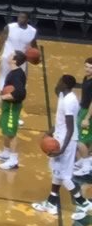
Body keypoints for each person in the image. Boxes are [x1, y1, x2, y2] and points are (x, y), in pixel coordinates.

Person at [35, 74, 90, 218]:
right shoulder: (62, 96)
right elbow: (60, 122)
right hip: (60, 138)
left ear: (65, 84)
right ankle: (51, 203)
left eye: (59, 81)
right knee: (57, 172)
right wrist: (49, 132)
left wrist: (62, 149)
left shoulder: (69, 102)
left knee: (64, 175)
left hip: (67, 141)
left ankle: (83, 203)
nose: (57, 83)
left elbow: (70, 128)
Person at [0, 12, 40, 109]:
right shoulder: (9, 27)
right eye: (19, 17)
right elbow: (0, 43)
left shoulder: (32, 31)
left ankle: (12, 105)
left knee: (19, 85)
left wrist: (36, 58)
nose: (20, 19)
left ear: (27, 19)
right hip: (7, 59)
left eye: (23, 17)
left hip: (21, 61)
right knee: (3, 80)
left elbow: (34, 47)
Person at [0, 50, 28, 171]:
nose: (8, 55)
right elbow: (11, 89)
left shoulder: (17, 74)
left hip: (12, 106)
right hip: (8, 105)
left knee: (11, 133)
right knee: (6, 130)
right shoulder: (14, 72)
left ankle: (13, 160)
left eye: (11, 55)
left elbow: (20, 93)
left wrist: (2, 97)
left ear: (14, 60)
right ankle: (6, 153)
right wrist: (2, 91)